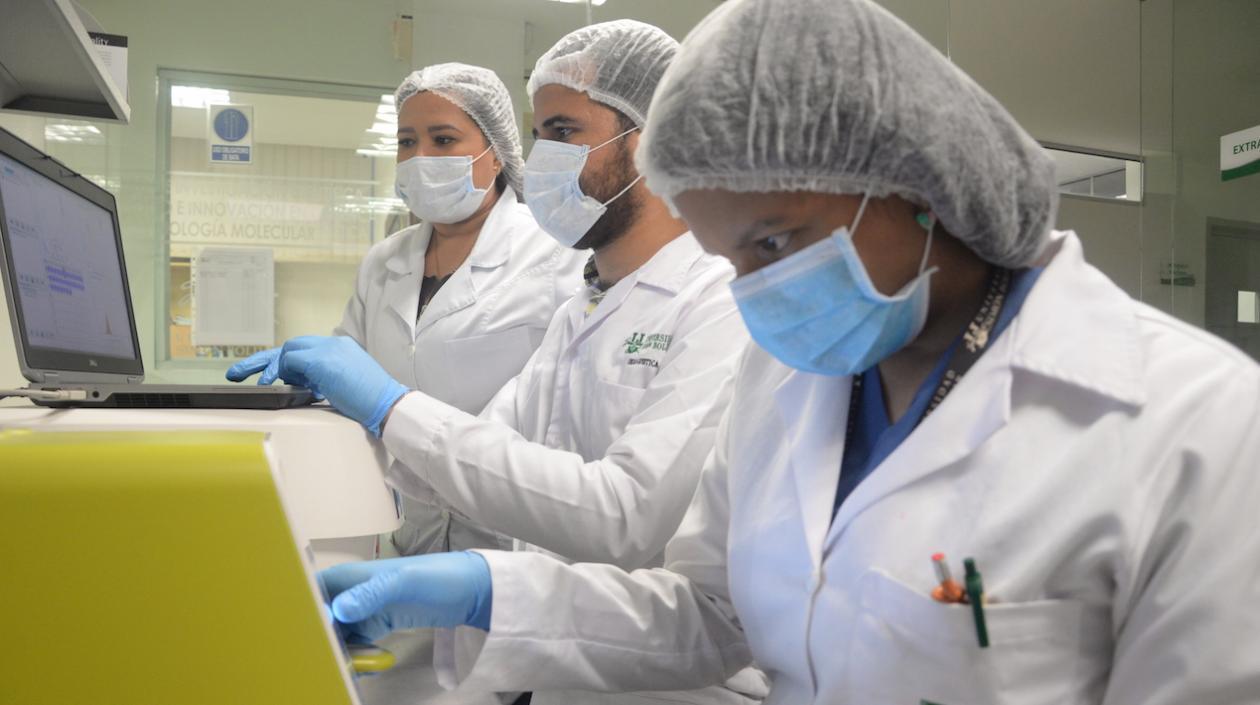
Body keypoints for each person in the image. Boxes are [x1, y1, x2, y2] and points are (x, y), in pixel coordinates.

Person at [308, 0, 1260, 703]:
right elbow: (714, 615)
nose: (756, 293)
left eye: (772, 243)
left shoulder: (1194, 428)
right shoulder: (793, 375)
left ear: (919, 178)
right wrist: (487, 592)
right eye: (727, 257)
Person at [235, 20, 764, 705]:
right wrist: (358, 426)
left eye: (564, 131)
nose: (541, 155)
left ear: (654, 139)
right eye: (538, 130)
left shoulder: (718, 300)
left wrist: (390, 405)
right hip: (561, 666)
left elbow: (624, 515)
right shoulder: (586, 307)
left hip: (683, 686)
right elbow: (488, 450)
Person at [229, 64, 586, 556]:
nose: (420, 157)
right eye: (406, 141)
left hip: (515, 542)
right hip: (407, 532)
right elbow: (351, 371)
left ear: (496, 152)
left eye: (443, 140)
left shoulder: (558, 252)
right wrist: (307, 382)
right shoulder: (384, 262)